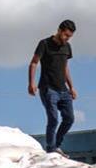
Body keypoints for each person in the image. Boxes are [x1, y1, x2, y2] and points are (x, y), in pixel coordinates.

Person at [28, 19, 77, 155]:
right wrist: (31, 83)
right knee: (54, 119)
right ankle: (51, 149)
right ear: (59, 30)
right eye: (65, 35)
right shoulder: (44, 44)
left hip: (63, 90)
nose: (67, 38)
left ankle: (56, 145)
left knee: (69, 119)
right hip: (48, 89)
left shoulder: (67, 47)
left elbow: (65, 67)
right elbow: (34, 63)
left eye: (69, 37)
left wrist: (71, 87)